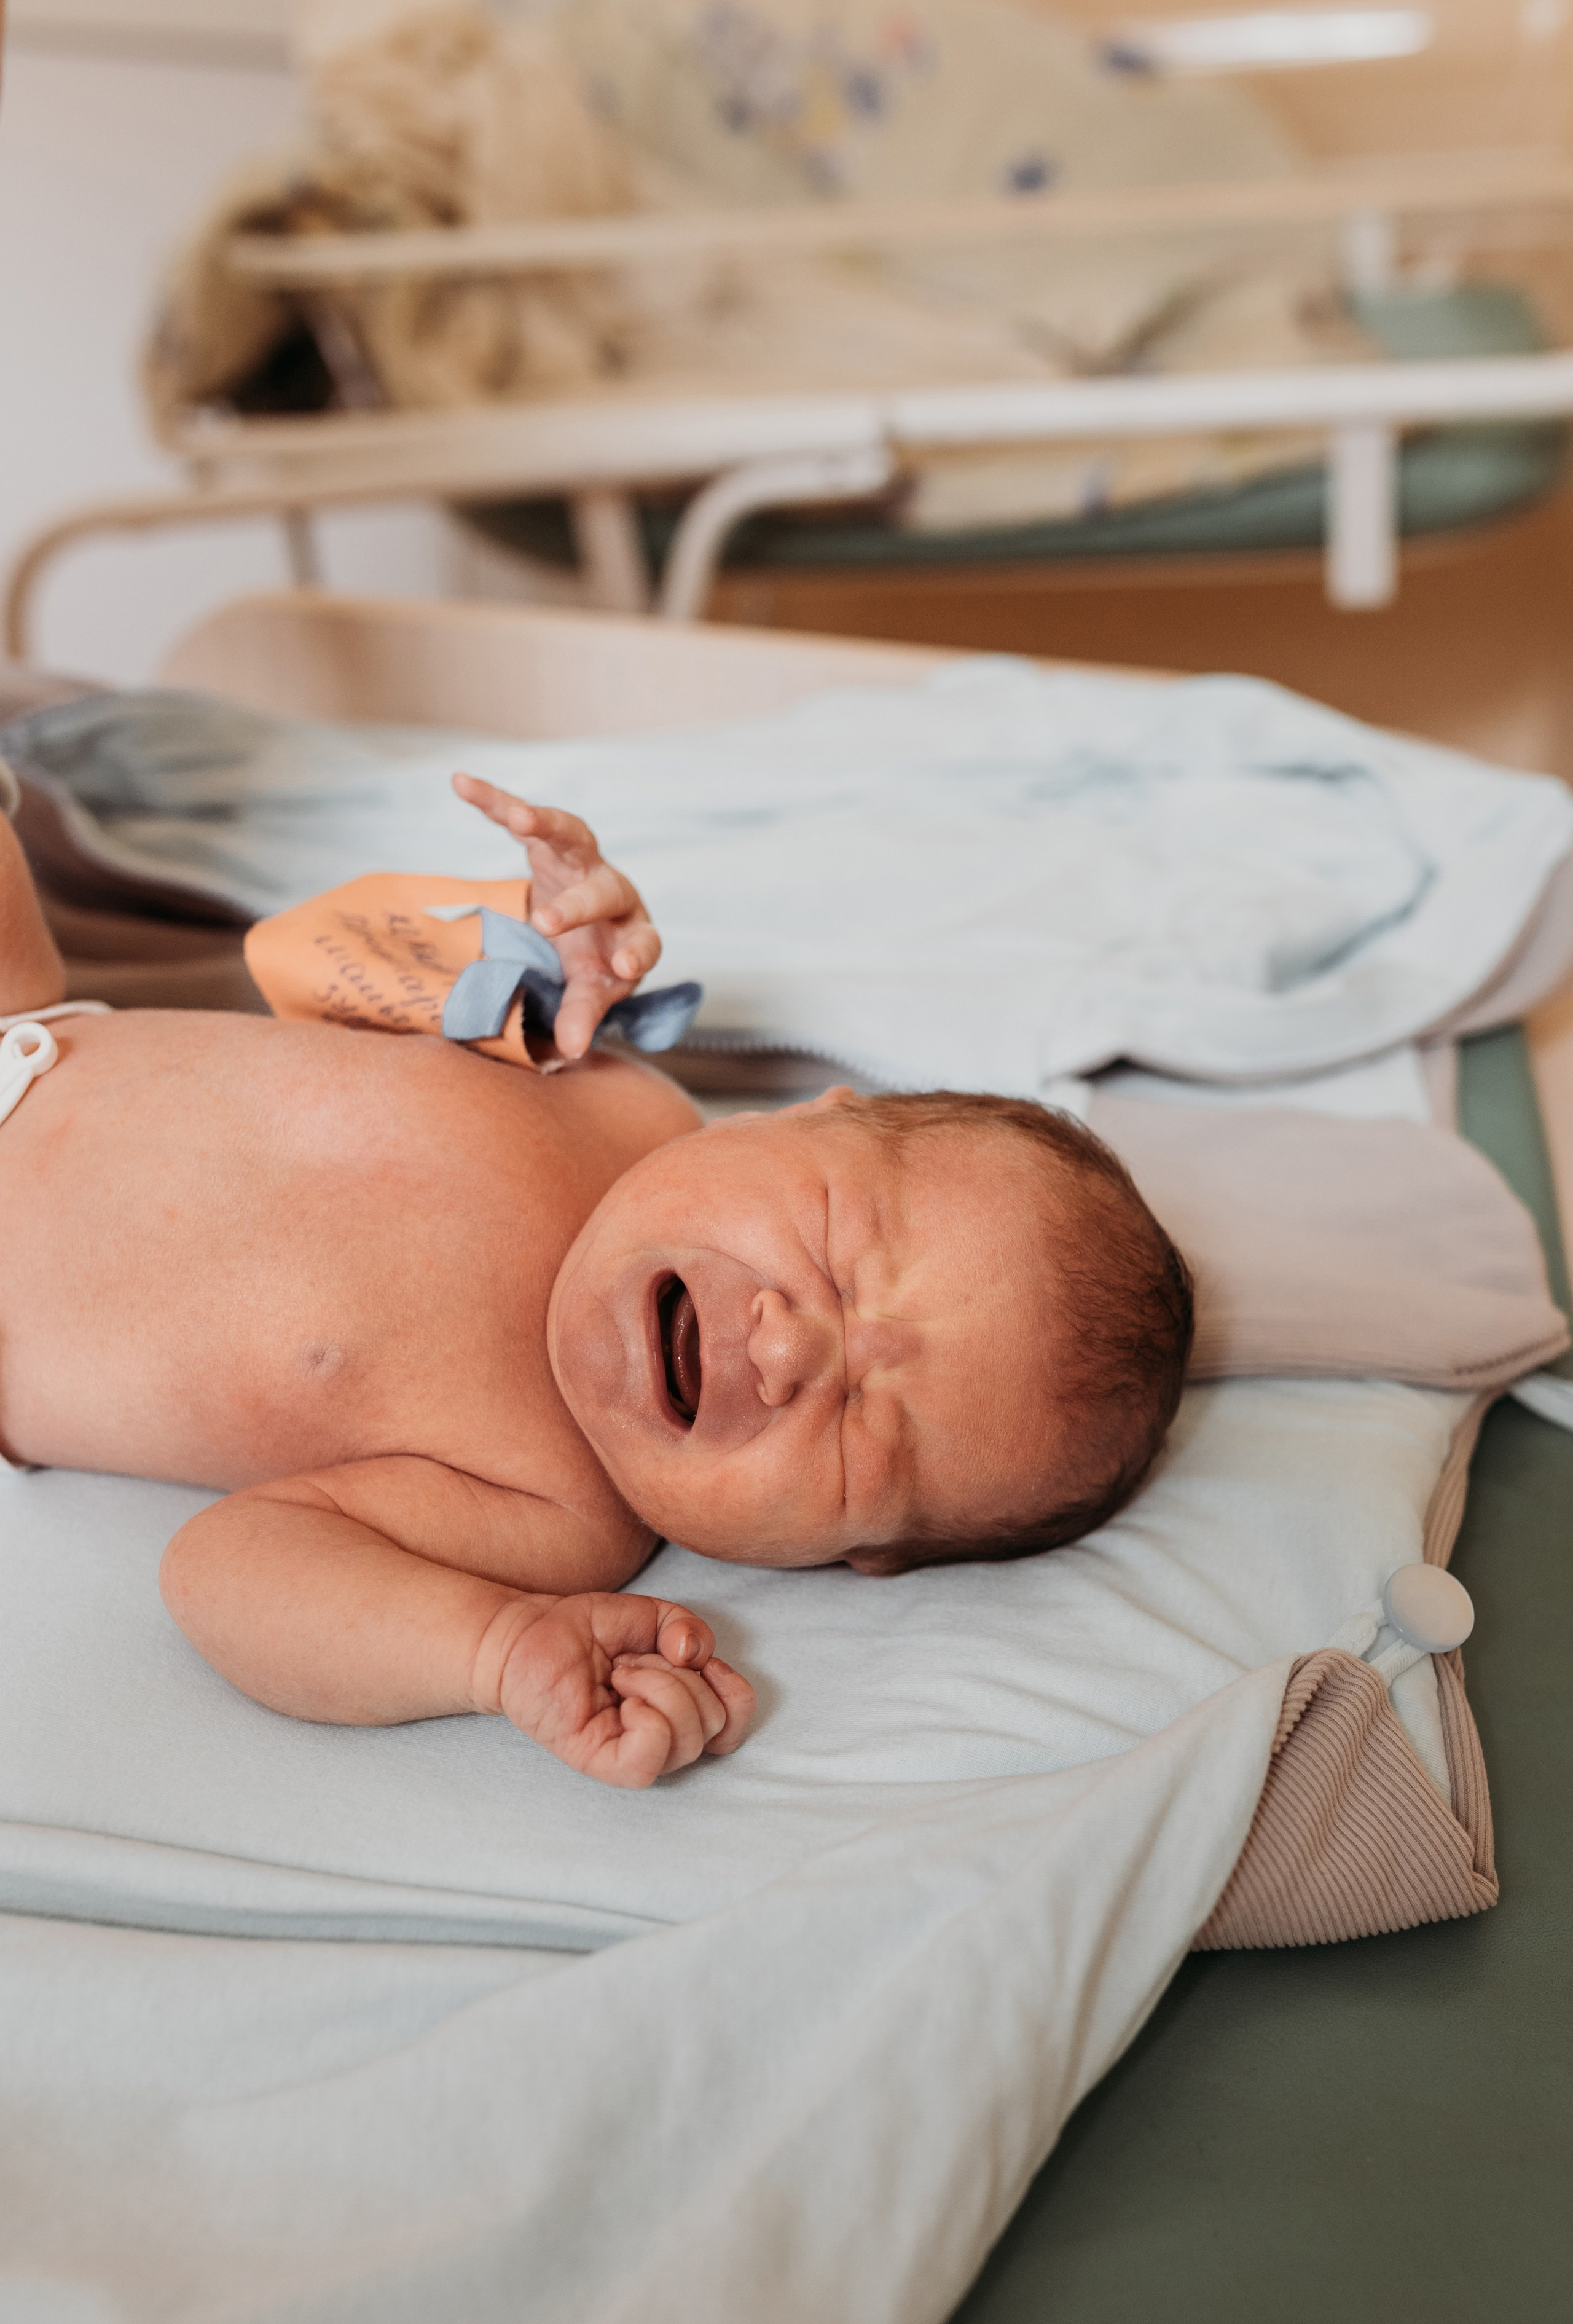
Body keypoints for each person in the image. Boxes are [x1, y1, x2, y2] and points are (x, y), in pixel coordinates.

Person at [0, 764, 1193, 1787]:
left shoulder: (556, 1510)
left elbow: (229, 1570)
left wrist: (490, 1650)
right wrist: (534, 945)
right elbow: (347, 981)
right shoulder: (616, 1094)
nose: (787, 1347)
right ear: (799, 1118)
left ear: (845, 1559)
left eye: (867, 1433)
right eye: (837, 1242)